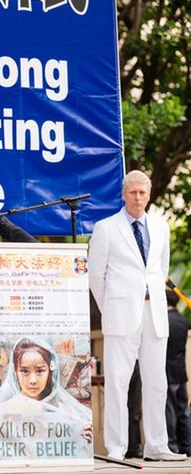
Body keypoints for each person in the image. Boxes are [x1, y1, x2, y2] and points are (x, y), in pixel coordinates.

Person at [88, 169, 187, 462]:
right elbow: (96, 275)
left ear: (149, 194)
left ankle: (157, 445)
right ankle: (116, 447)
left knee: (157, 382)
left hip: (154, 313)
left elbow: (161, 269)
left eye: (142, 192)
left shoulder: (160, 227)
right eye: (132, 192)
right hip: (121, 314)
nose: (138, 197)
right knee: (118, 383)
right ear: (123, 194)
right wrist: (112, 309)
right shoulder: (106, 228)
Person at [0, 336, 93, 461]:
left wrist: (85, 441)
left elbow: (75, 455)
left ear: (50, 371)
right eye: (24, 371)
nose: (33, 380)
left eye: (40, 371)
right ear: (15, 371)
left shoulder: (69, 414)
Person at [165, 289, 191, 456]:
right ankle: (187, 447)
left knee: (169, 410)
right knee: (183, 410)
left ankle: (171, 445)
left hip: (166, 371)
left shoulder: (163, 321)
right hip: (181, 371)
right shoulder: (183, 320)